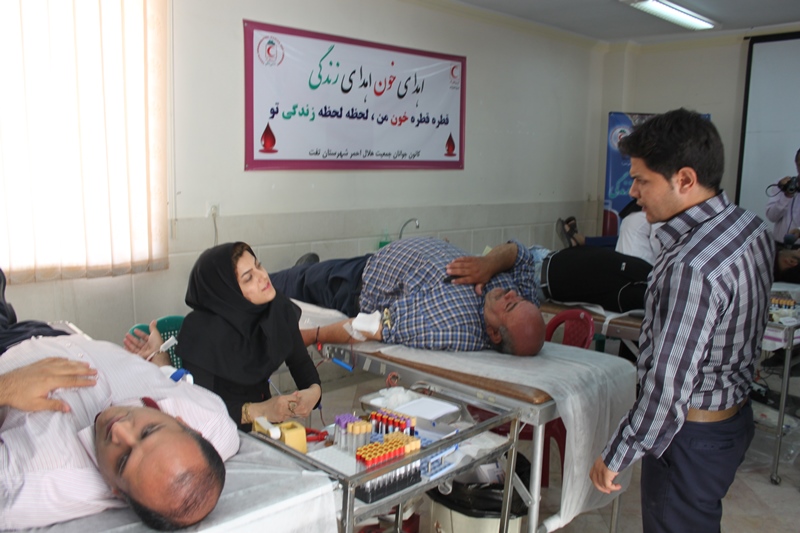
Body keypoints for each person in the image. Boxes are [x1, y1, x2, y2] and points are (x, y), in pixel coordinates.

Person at [589, 109, 774, 533]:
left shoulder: (692, 266)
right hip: (732, 418)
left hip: (692, 438)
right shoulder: (749, 228)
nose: (633, 192)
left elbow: (667, 390)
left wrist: (616, 454)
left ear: (685, 180)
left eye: (642, 180)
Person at [0, 284, 239, 530]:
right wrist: (160, 361)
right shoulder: (213, 420)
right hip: (53, 334)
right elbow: (179, 386)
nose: (119, 430)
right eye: (148, 431)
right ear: (184, 422)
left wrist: (6, 388)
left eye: (123, 460)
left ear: (117, 493)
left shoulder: (27, 479)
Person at [127, 242, 321, 431]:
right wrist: (260, 411)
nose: (263, 276)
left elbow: (301, 364)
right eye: (248, 278)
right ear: (228, 293)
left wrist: (313, 392)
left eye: (259, 265)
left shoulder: (276, 309)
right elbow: (201, 410)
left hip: (263, 427)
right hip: (218, 431)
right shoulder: (201, 333)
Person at [273, 236, 547, 356]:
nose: (512, 294)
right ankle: (303, 272)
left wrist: (312, 335)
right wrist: (490, 263)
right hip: (374, 263)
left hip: (355, 285)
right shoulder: (524, 302)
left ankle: (261, 283)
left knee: (285, 284)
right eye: (518, 299)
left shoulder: (447, 325)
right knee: (306, 277)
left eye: (510, 306)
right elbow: (520, 253)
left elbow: (370, 326)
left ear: (494, 333)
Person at [765, 147, 800, 246]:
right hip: (779, 246)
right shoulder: (783, 184)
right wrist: (786, 196)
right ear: (796, 164)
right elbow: (772, 217)